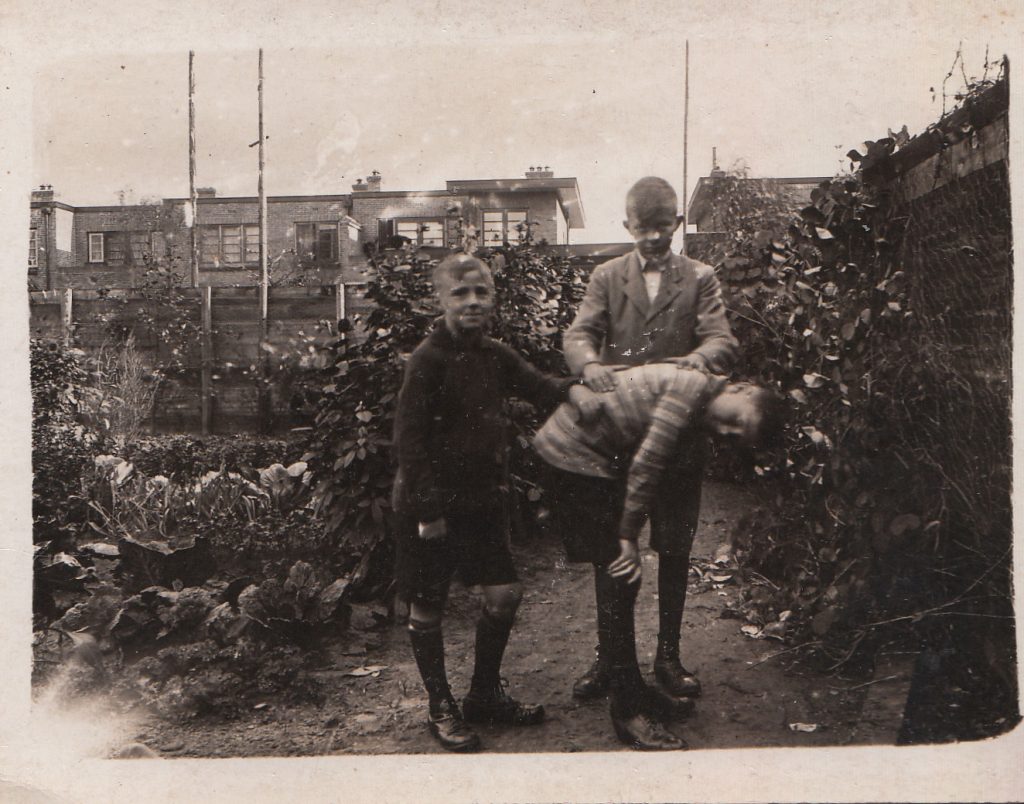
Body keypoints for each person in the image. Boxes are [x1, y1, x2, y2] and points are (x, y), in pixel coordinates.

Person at [391, 253, 601, 753]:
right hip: (429, 507)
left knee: (504, 596)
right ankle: (440, 706)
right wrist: (429, 512)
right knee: (428, 605)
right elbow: (408, 442)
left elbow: (540, 385)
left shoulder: (494, 354)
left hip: (481, 502)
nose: (472, 302)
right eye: (460, 293)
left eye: (481, 292)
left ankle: (483, 694)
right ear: (439, 300)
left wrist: (576, 391)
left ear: (493, 298)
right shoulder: (427, 360)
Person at [534, 363, 785, 749]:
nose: (725, 431)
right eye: (736, 420)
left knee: (621, 581)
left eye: (735, 437)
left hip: (589, 455)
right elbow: (647, 465)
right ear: (741, 389)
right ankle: (627, 712)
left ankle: (633, 690)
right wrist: (626, 535)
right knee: (619, 576)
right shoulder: (689, 393)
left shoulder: (699, 392)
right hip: (572, 456)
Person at [563, 176, 739, 703]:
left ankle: (668, 656)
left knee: (675, 548)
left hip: (679, 438)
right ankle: (609, 657)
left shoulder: (701, 277)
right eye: (643, 229)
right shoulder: (606, 276)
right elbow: (579, 333)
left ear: (677, 224)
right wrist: (588, 365)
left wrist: (699, 359)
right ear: (627, 226)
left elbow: (721, 338)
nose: (654, 238)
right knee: (610, 551)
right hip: (618, 437)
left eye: (663, 227)